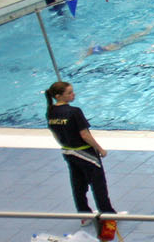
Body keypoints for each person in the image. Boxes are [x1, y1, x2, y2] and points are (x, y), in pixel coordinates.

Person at [45, 81, 117, 220]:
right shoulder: (74, 111)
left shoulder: (51, 111)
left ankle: (84, 214)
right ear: (59, 96)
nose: (73, 94)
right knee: (98, 185)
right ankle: (108, 214)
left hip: (68, 152)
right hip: (85, 153)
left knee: (78, 185)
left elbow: (54, 133)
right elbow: (85, 134)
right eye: (69, 93)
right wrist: (100, 149)